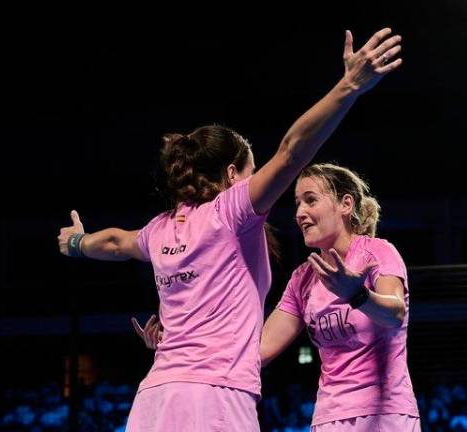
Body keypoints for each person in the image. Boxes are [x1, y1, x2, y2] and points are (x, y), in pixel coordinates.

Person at [60, 28, 403, 431]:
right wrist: (348, 87)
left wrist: (78, 242)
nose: (260, 182)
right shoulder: (231, 209)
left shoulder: (161, 229)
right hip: (215, 397)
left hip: (155, 397)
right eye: (253, 171)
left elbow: (116, 242)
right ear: (231, 173)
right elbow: (293, 150)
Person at [138, 163, 420, 431]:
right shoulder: (303, 279)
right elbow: (253, 353)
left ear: (346, 204)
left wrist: (357, 295)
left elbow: (394, 315)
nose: (300, 213)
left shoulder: (377, 252)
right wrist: (175, 346)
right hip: (328, 417)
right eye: (298, 203)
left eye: (311, 200)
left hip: (386, 414)